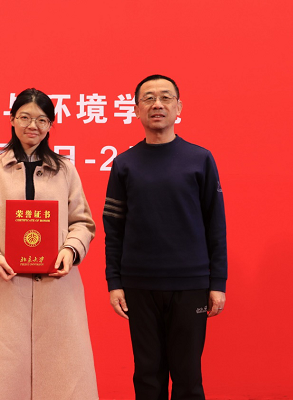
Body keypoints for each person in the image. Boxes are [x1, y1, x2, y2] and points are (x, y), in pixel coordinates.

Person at [103, 75, 227, 400]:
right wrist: (114, 282)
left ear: (178, 107)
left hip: (191, 285)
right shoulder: (124, 164)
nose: (157, 104)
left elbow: (215, 225)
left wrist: (218, 282)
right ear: (136, 109)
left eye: (165, 97)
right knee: (147, 377)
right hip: (139, 285)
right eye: (148, 98)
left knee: (188, 378)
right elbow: (113, 229)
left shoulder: (200, 159)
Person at [0, 88, 98, 400]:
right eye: (25, 117)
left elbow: (83, 222)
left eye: (42, 120)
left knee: (63, 380)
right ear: (12, 119)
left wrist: (69, 250)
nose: (33, 126)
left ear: (51, 125)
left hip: (58, 288)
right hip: (7, 286)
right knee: (5, 380)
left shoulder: (65, 169)